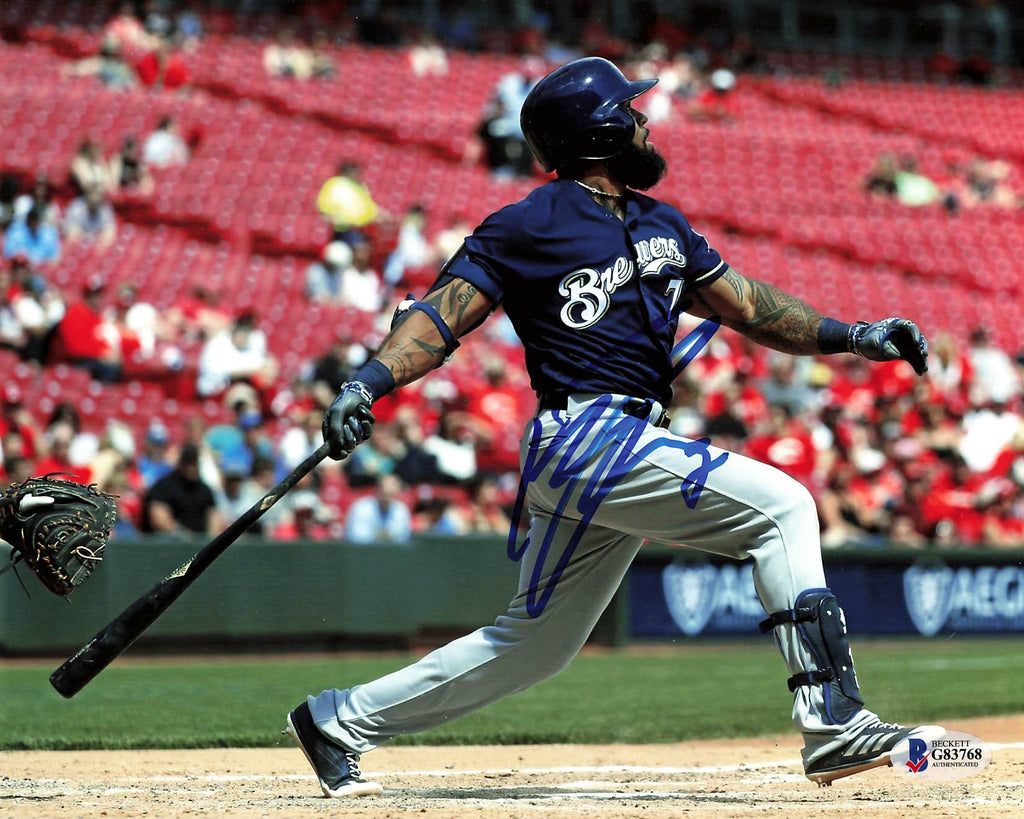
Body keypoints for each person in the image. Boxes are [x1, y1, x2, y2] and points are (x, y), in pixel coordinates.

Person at [286, 57, 942, 797]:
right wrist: (368, 380)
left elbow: (751, 306)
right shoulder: (526, 223)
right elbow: (441, 316)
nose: (646, 120)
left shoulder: (663, 223)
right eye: (633, 110)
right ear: (599, 128)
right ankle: (834, 719)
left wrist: (853, 335)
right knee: (784, 506)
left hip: (611, 451)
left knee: (535, 645)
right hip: (583, 435)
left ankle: (337, 718)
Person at [142, 443, 222, 535]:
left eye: (194, 463)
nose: (191, 467)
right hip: (170, 544)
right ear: (181, 463)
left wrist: (209, 538)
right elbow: (159, 518)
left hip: (202, 544)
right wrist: (185, 536)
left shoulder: (204, 489)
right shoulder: (163, 487)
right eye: (188, 462)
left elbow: (213, 515)